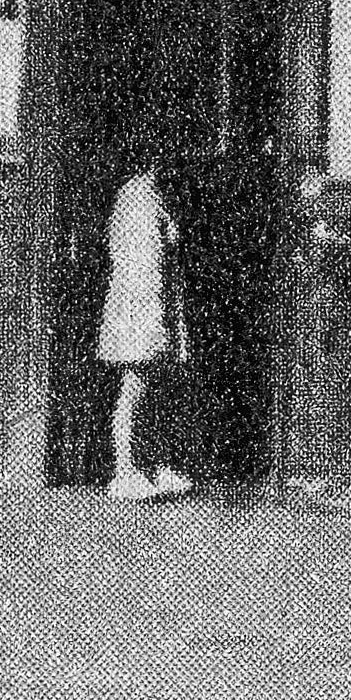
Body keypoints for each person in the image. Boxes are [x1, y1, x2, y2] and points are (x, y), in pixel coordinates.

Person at [97, 146, 194, 500]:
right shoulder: (138, 197)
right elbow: (141, 267)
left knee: (156, 389)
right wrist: (156, 325)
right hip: (140, 310)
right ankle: (124, 470)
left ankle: (155, 464)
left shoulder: (153, 196)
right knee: (134, 388)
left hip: (156, 308)